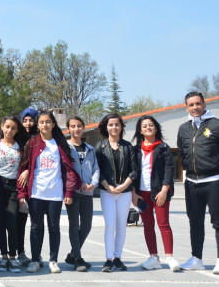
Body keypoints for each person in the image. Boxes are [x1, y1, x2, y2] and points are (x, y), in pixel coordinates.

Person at [177, 91, 219, 275]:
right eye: (191, 105)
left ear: (204, 104)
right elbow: (181, 151)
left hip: (213, 182)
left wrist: (218, 166)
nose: (195, 107)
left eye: (198, 103)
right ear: (186, 107)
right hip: (191, 183)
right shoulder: (183, 128)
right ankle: (196, 259)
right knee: (195, 222)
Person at [17, 111, 80, 273]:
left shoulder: (60, 144)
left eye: (48, 122)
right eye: (42, 122)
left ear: (53, 124)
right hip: (37, 192)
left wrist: (69, 193)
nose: (45, 125)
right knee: (36, 227)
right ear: (37, 126)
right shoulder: (31, 143)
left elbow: (69, 171)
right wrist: (22, 193)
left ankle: (53, 260)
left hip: (55, 193)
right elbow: (24, 169)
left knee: (54, 227)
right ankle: (35, 259)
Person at [132, 115, 182, 272]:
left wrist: (164, 190)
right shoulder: (135, 150)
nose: (148, 127)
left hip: (160, 192)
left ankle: (170, 257)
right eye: (145, 126)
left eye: (151, 125)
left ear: (156, 128)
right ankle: (153, 257)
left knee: (163, 224)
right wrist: (134, 193)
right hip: (142, 193)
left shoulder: (164, 147)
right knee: (148, 225)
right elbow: (132, 172)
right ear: (140, 130)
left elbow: (169, 169)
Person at [95, 112, 138, 273]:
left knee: (121, 226)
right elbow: (98, 170)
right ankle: (108, 260)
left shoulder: (128, 146)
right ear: (106, 127)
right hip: (108, 192)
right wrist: (108, 187)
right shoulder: (100, 146)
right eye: (111, 124)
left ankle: (118, 258)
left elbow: (134, 170)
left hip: (125, 192)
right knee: (110, 225)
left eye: (117, 124)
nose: (114, 127)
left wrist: (124, 185)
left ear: (121, 127)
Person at [0, 116, 28, 273]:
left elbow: (27, 164)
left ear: (17, 130)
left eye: (13, 128)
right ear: (2, 127)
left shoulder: (21, 148)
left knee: (12, 221)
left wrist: (25, 170)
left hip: (14, 187)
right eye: (7, 127)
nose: (9, 130)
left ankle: (13, 257)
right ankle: (3, 257)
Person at [64, 115, 99, 272]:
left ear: (83, 128)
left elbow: (96, 168)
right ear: (68, 129)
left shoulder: (90, 149)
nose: (76, 129)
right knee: (73, 226)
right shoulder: (65, 148)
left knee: (86, 225)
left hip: (87, 192)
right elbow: (65, 171)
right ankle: (77, 259)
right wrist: (76, 185)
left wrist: (93, 183)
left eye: (79, 126)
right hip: (72, 192)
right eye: (73, 126)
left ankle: (72, 254)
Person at [14, 107, 38, 267]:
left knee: (36, 222)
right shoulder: (17, 138)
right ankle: (20, 252)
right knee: (19, 221)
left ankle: (36, 254)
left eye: (31, 120)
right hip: (19, 186)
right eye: (25, 120)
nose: (28, 123)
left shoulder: (39, 138)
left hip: (36, 186)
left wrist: (29, 169)